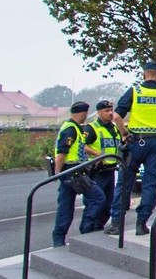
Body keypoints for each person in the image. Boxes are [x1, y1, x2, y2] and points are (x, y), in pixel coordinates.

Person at [104, 61, 156, 237]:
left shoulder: (134, 91)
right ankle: (141, 223)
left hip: (135, 142)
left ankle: (117, 223)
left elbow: (116, 116)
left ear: (144, 74)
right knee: (151, 184)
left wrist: (124, 133)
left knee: (124, 182)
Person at [52, 102, 105, 247]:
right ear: (82, 113)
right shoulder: (71, 130)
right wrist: (57, 173)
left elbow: (77, 150)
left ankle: (58, 239)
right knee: (98, 198)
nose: (86, 116)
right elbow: (61, 153)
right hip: (73, 172)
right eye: (86, 113)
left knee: (65, 206)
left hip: (72, 171)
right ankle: (86, 231)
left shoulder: (73, 127)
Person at [82, 99, 120, 232]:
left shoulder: (114, 128)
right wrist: (97, 154)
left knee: (108, 204)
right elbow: (82, 145)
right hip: (97, 171)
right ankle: (87, 230)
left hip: (110, 170)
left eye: (111, 110)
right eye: (106, 111)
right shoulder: (92, 128)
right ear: (98, 113)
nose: (110, 113)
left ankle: (98, 227)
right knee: (95, 202)